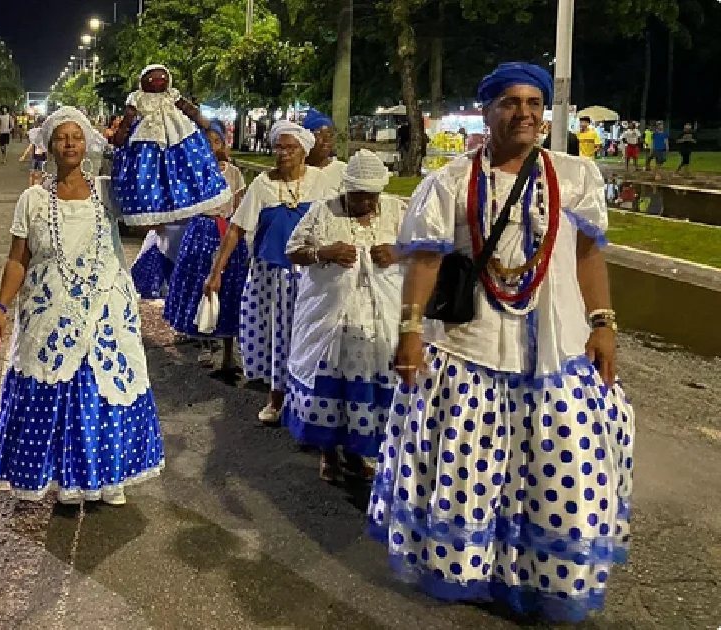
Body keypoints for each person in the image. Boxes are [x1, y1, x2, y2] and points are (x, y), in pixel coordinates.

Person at [370, 62, 635, 623]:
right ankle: (472, 569)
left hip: (556, 349)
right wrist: (411, 332)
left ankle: (543, 577)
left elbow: (589, 256)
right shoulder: (448, 181)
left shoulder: (575, 175)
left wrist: (604, 324)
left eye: (535, 104)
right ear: (486, 111)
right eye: (511, 103)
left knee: (559, 465)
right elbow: (424, 261)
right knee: (469, 467)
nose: (525, 114)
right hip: (472, 347)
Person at [0, 106, 164, 506]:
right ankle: (68, 480)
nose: (70, 143)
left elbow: (157, 188)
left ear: (88, 144)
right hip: (49, 312)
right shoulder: (32, 199)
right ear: (48, 145)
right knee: (58, 390)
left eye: (77, 136)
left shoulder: (107, 190)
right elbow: (18, 259)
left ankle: (108, 476)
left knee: (100, 389)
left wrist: (154, 114)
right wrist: (0, 307)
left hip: (106, 309)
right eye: (62, 137)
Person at [283, 149, 405, 483]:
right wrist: (324, 252)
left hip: (378, 325)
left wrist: (397, 252)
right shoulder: (324, 211)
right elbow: (292, 250)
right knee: (331, 391)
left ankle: (355, 453)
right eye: (358, 196)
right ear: (346, 189)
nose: (365, 203)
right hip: (331, 323)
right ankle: (329, 454)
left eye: (371, 196)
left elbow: (423, 249)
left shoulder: (397, 209)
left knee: (363, 393)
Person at [207, 121, 334, 425]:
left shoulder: (322, 182)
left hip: (312, 273)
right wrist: (216, 272)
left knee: (311, 337)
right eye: (279, 146)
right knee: (277, 336)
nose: (283, 153)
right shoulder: (263, 184)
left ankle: (308, 401)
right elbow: (236, 229)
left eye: (290, 147)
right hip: (272, 274)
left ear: (304, 151)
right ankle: (276, 399)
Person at [162, 120, 248, 371]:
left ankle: (229, 352)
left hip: (227, 233)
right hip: (201, 232)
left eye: (216, 141)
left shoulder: (233, 173)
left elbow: (240, 205)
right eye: (206, 142)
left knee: (230, 289)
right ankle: (204, 345)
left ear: (223, 143)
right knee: (200, 286)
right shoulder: (195, 171)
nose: (211, 147)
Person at [111, 65, 230, 227]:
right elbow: (128, 120)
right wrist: (121, 135)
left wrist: (204, 122)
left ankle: (188, 197)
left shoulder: (172, 95)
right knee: (148, 172)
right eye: (152, 79)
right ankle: (151, 206)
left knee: (184, 167)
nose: (157, 82)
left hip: (177, 134)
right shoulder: (137, 98)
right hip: (146, 138)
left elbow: (188, 109)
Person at [303, 108, 345, 189]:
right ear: (307, 139)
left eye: (330, 135)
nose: (326, 140)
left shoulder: (342, 171)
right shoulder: (296, 171)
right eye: (319, 134)